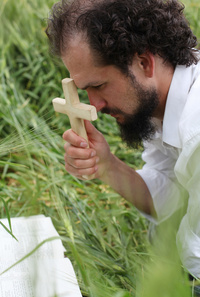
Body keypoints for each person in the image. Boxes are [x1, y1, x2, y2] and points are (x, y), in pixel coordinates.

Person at [46, 0, 200, 282]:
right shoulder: (159, 103)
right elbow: (173, 200)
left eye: (99, 85)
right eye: (85, 90)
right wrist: (107, 166)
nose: (95, 105)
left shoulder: (197, 130)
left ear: (144, 62)